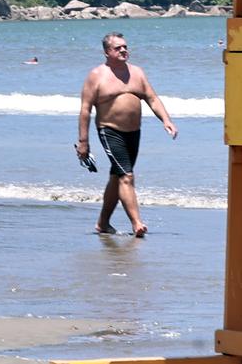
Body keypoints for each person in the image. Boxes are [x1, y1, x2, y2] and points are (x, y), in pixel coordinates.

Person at [75, 32, 178, 237]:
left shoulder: (137, 73)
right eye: (117, 48)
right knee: (127, 176)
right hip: (109, 130)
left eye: (125, 46)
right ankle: (136, 223)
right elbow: (85, 110)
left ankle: (103, 223)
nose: (123, 50)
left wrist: (166, 120)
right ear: (107, 52)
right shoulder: (97, 75)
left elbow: (152, 98)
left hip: (134, 133)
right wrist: (83, 142)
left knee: (117, 176)